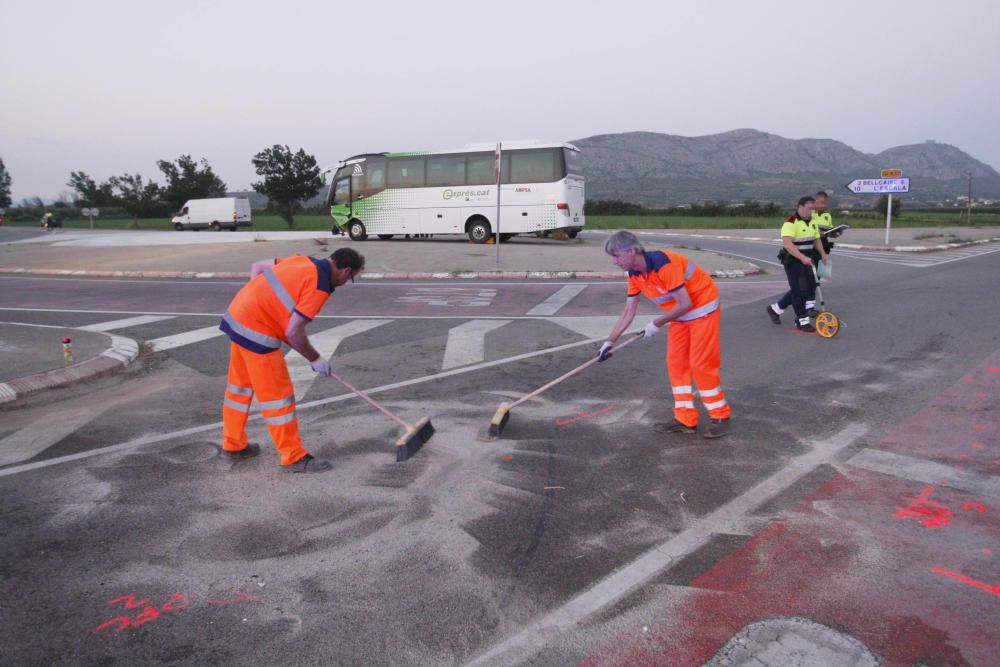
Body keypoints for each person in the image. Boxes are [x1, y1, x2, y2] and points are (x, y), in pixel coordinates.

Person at [218, 247, 365, 473]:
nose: (347, 282)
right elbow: (294, 331)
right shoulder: (319, 287)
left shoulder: (302, 260)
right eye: (351, 278)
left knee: (239, 390)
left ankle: (233, 445)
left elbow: (257, 267)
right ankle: (293, 456)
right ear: (345, 271)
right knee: (278, 397)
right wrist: (315, 358)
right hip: (257, 334)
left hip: (238, 317)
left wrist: (258, 304)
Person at [598, 230, 732, 438]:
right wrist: (610, 342)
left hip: (703, 309)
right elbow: (628, 311)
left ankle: (720, 415)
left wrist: (656, 323)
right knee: (676, 364)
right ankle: (685, 419)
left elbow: (686, 303)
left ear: (632, 251)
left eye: (616, 255)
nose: (614, 261)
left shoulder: (663, 264)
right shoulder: (635, 274)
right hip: (679, 315)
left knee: (700, 363)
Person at [765, 196, 829, 332]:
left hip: (808, 259)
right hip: (794, 261)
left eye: (813, 209)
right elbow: (788, 245)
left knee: (802, 289)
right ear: (801, 206)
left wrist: (823, 254)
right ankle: (802, 320)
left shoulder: (811, 222)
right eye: (809, 208)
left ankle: (775, 309)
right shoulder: (790, 223)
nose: (811, 211)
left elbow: (816, 239)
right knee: (799, 290)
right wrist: (802, 257)